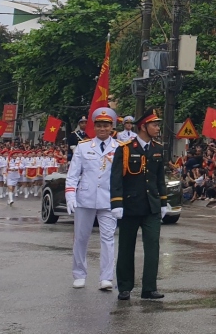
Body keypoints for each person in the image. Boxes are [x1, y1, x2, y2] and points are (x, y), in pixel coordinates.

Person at [110, 108, 170, 301]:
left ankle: (149, 288)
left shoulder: (158, 149)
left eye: (158, 124)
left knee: (153, 246)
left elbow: (160, 178)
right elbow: (116, 178)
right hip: (130, 205)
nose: (158, 127)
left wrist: (163, 202)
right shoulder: (125, 148)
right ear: (143, 127)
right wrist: (117, 203)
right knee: (126, 247)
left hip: (151, 206)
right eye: (154, 124)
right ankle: (125, 287)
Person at [66, 107, 121, 291]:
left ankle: (106, 278)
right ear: (94, 127)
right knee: (81, 238)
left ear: (112, 127)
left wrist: (122, 201)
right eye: (99, 125)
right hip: (85, 197)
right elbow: (73, 174)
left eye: (106, 125)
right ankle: (79, 274)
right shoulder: (83, 147)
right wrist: (70, 196)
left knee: (108, 239)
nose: (102, 128)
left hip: (108, 199)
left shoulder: (120, 148)